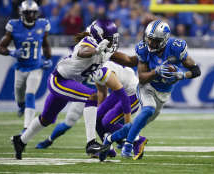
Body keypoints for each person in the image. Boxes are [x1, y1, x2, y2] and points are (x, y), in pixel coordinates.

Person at [11, 18, 135, 160]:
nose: (113, 41)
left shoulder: (104, 49)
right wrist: (96, 50)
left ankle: (20, 141)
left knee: (46, 118)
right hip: (60, 81)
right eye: (109, 38)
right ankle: (91, 143)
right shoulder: (88, 43)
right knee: (91, 96)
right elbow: (84, 51)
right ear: (99, 37)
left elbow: (124, 59)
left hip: (69, 83)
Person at [99, 19, 201, 161]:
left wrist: (182, 75)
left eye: (155, 40)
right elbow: (142, 78)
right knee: (148, 109)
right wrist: (156, 72)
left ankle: (109, 139)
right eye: (149, 39)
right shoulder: (143, 49)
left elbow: (196, 70)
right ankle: (128, 146)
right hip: (147, 87)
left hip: (164, 93)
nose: (150, 43)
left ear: (165, 40)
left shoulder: (177, 47)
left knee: (134, 125)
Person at [35, 61, 146, 159]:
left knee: (107, 121)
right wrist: (98, 112)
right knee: (96, 117)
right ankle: (107, 148)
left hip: (132, 93)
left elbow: (123, 96)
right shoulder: (95, 71)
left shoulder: (102, 71)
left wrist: (127, 122)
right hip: (120, 91)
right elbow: (102, 92)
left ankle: (137, 139)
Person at [0, 0, 52, 132]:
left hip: (36, 66)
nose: (31, 15)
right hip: (20, 67)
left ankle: (26, 127)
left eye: (33, 12)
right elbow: (1, 48)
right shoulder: (13, 26)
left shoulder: (42, 25)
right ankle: (21, 106)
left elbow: (45, 44)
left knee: (30, 94)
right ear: (22, 13)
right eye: (28, 13)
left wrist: (47, 58)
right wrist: (11, 52)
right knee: (19, 96)